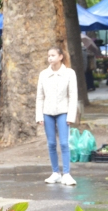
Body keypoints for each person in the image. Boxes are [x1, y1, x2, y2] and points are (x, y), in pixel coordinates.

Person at [36, 46, 78, 186]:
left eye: (53, 55)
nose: (50, 58)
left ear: (60, 57)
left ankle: (66, 173)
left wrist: (71, 116)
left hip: (63, 112)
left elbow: (73, 96)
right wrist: (39, 115)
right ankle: (55, 173)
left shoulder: (69, 73)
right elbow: (40, 97)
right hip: (47, 112)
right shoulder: (43, 74)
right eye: (48, 56)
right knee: (51, 143)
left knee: (64, 143)